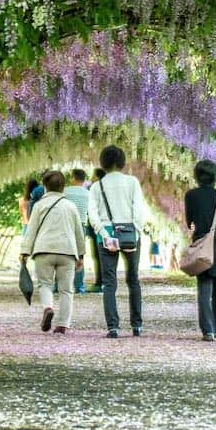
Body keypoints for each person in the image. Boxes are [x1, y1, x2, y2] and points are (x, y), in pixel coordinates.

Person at [86, 145, 148, 338]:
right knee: (133, 280)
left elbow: (92, 214)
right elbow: (139, 210)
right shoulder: (132, 182)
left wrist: (103, 233)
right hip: (130, 234)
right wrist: (135, 231)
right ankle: (136, 325)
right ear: (122, 163)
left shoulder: (97, 186)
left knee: (109, 282)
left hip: (106, 235)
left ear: (103, 164)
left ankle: (113, 327)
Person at [20, 170, 85, 335]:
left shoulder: (40, 205)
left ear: (45, 187)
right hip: (67, 251)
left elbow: (31, 230)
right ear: (63, 187)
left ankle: (48, 308)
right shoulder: (71, 206)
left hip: (44, 250)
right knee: (66, 289)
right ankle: (63, 324)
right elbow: (79, 232)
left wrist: (25, 252)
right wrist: (81, 255)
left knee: (45, 284)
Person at [184, 159, 216, 341]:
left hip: (204, 244)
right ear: (215, 177)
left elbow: (190, 222)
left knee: (204, 286)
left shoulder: (191, 195)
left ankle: (208, 330)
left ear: (197, 176)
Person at [63, 168, 92, 294]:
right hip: (82, 225)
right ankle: (79, 286)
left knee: (62, 254)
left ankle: (59, 285)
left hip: (66, 224)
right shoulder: (88, 193)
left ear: (73, 178)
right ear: (84, 179)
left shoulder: (65, 191)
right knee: (80, 255)